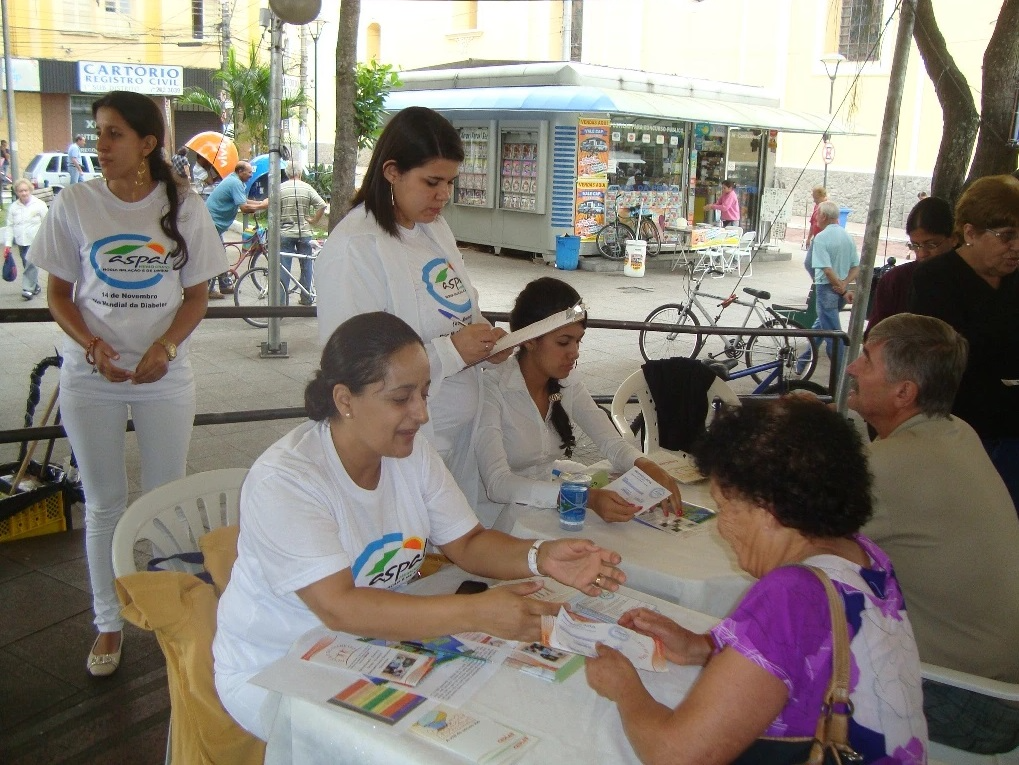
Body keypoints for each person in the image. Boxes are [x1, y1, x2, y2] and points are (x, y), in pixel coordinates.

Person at [213, 312, 625, 741]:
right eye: (401, 398)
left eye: (425, 394)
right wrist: (475, 613)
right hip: (279, 665)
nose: (421, 414)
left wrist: (540, 556)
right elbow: (338, 608)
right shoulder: (289, 480)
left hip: (371, 644)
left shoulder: (411, 454)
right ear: (344, 400)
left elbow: (469, 542)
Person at [584, 398, 928, 764]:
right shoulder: (862, 554)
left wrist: (626, 689)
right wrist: (701, 648)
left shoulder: (791, 593)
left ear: (768, 509)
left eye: (726, 506)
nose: (721, 526)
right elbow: (802, 652)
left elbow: (676, 755)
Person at [28, 90, 226, 677]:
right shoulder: (75, 203)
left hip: (165, 375)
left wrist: (166, 348)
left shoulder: (183, 206)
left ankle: (172, 617)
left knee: (167, 497)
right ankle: (108, 623)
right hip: (92, 377)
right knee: (105, 503)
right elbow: (58, 294)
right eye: (98, 132)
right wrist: (92, 347)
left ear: (147, 143)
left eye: (114, 133)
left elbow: (197, 297)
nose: (100, 144)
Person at [316, 106, 508, 506]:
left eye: (450, 182)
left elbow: (460, 306)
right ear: (392, 171)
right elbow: (355, 364)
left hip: (455, 435)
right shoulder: (357, 246)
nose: (443, 195)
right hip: (403, 438)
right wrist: (452, 352)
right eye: (432, 181)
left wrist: (488, 338)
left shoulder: (434, 229)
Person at [847, 313, 1019, 754]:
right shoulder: (957, 431)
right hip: (1000, 684)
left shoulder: (892, 465)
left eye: (866, 359)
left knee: (781, 669)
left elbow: (797, 545)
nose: (851, 368)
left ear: (904, 392)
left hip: (970, 700)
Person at [476, 277, 682, 528]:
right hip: (495, 524)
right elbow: (498, 484)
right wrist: (584, 498)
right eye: (563, 342)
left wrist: (647, 465)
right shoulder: (493, 389)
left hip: (547, 510)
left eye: (578, 341)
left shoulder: (566, 382)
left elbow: (609, 441)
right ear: (528, 340)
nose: (574, 352)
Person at [908, 174, 1019, 510]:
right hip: (962, 431)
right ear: (970, 233)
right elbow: (934, 361)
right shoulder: (935, 280)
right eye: (1006, 236)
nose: (1016, 247)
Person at [867, 196, 955, 331]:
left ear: (953, 239)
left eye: (931, 244)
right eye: (915, 245)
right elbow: (874, 336)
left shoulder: (968, 280)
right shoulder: (895, 280)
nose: (921, 253)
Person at [802, 199, 859, 361]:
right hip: (840, 289)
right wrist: (844, 284)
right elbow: (856, 267)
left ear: (825, 216)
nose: (816, 217)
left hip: (827, 288)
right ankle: (804, 360)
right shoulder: (848, 237)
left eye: (818, 214)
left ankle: (839, 374)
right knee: (821, 326)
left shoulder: (821, 238)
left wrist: (839, 285)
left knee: (833, 335)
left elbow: (826, 269)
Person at [204, 161, 268, 298]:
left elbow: (243, 200)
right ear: (240, 171)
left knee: (219, 254)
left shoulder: (235, 181)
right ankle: (207, 290)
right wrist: (262, 206)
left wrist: (262, 203)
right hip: (212, 224)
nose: (251, 175)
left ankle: (225, 285)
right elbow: (244, 207)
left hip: (213, 223)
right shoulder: (236, 183)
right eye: (249, 172)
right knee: (215, 256)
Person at [279, 166, 326, 306]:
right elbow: (322, 205)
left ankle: (281, 302)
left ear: (287, 174)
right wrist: (314, 220)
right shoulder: (307, 188)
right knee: (306, 266)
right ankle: (306, 298)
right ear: (299, 173)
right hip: (304, 233)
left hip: (285, 232)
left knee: (284, 268)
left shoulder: (280, 188)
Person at [4, 178, 49, 300]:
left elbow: (47, 223)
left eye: (25, 190)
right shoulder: (14, 207)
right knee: (26, 263)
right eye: (20, 191)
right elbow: (10, 225)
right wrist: (8, 244)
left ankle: (27, 289)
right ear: (17, 192)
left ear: (30, 190)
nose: (23, 193)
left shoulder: (39, 204)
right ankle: (35, 286)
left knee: (31, 264)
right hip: (21, 241)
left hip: (35, 240)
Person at [803, 185, 827, 275]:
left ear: (821, 196)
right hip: (816, 238)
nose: (814, 200)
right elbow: (813, 224)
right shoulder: (817, 206)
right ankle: (817, 281)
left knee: (811, 263)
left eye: (816, 198)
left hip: (822, 239)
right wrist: (809, 238)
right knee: (810, 263)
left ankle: (818, 281)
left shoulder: (826, 206)